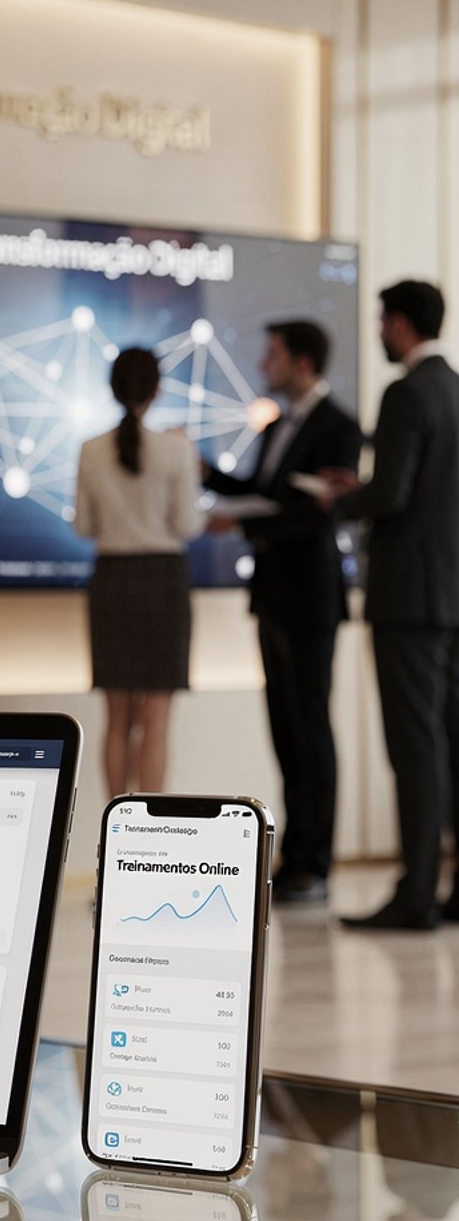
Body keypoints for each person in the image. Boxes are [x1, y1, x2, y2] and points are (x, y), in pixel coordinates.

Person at [314, 279, 459, 931]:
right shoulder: (455, 388)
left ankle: (417, 892)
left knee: (415, 746)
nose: (377, 332)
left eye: (380, 321)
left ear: (399, 324)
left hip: (408, 597)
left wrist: (340, 498)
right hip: (453, 593)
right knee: (449, 742)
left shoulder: (406, 392)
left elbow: (394, 494)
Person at [204, 321, 362, 903]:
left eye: (272, 355)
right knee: (285, 728)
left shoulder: (339, 426)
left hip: (310, 596)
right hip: (273, 594)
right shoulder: (279, 422)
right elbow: (267, 490)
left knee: (310, 727)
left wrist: (241, 521)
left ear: (301, 361)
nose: (263, 364)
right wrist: (208, 477)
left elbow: (320, 513)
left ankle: (315, 862)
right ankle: (295, 855)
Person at [72, 347, 205, 798]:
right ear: (157, 389)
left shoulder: (90, 450)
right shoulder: (175, 448)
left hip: (111, 580)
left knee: (116, 720)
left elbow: (84, 527)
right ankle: (151, 839)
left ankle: (115, 832)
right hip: (163, 580)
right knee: (156, 720)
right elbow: (189, 525)